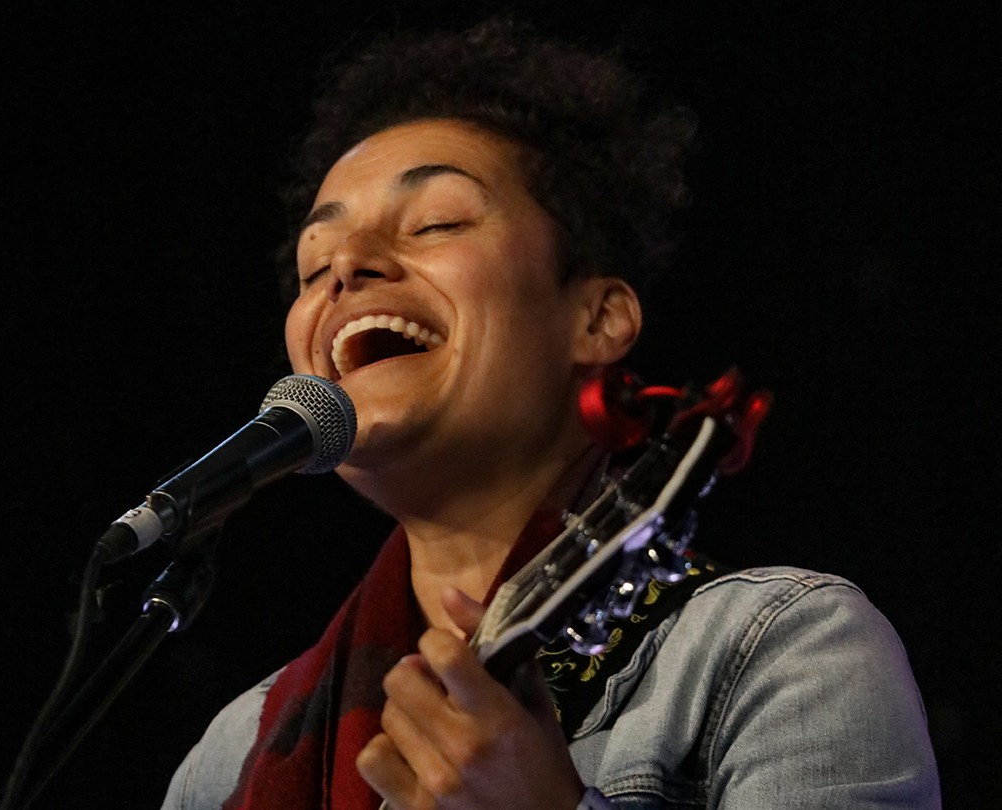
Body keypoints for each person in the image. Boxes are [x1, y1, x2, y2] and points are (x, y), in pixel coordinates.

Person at [162, 19, 940, 809]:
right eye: (313, 265)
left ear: (597, 319)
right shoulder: (231, 758)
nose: (348, 269)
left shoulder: (781, 649)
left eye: (437, 223)